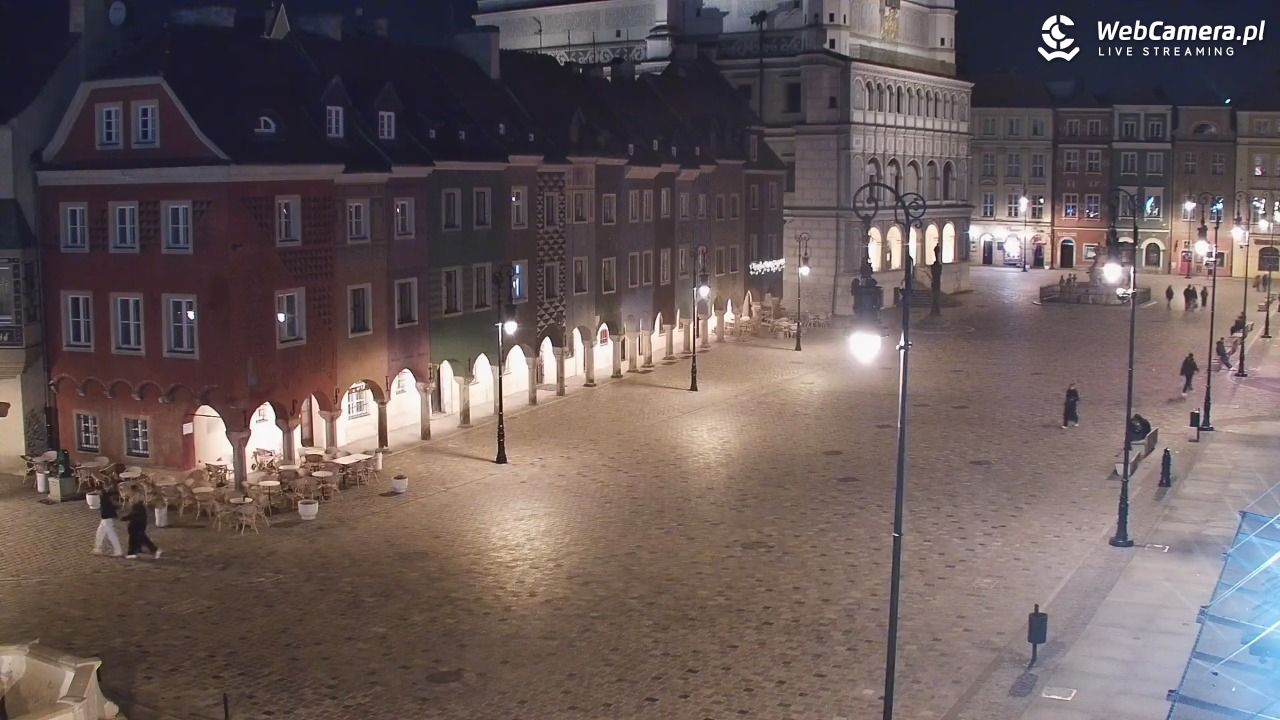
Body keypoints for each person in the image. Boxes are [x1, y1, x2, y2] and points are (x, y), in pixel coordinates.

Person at [91, 487, 124, 557]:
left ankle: (118, 551)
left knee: (111, 535)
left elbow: (108, 506)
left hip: (107, 518)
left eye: (97, 491)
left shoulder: (104, 497)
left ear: (99, 491)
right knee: (100, 533)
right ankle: (97, 549)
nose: (96, 492)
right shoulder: (105, 496)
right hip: (105, 518)